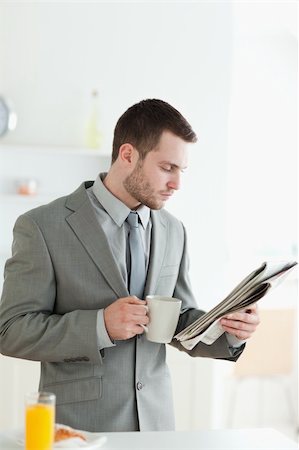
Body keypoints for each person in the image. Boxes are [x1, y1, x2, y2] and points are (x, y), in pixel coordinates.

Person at [0, 99, 259, 432]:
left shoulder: (173, 230)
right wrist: (100, 326)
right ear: (127, 155)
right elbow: (11, 330)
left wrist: (228, 329)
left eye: (182, 170)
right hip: (80, 430)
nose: (177, 183)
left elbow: (177, 321)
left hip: (156, 425)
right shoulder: (42, 226)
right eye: (167, 167)